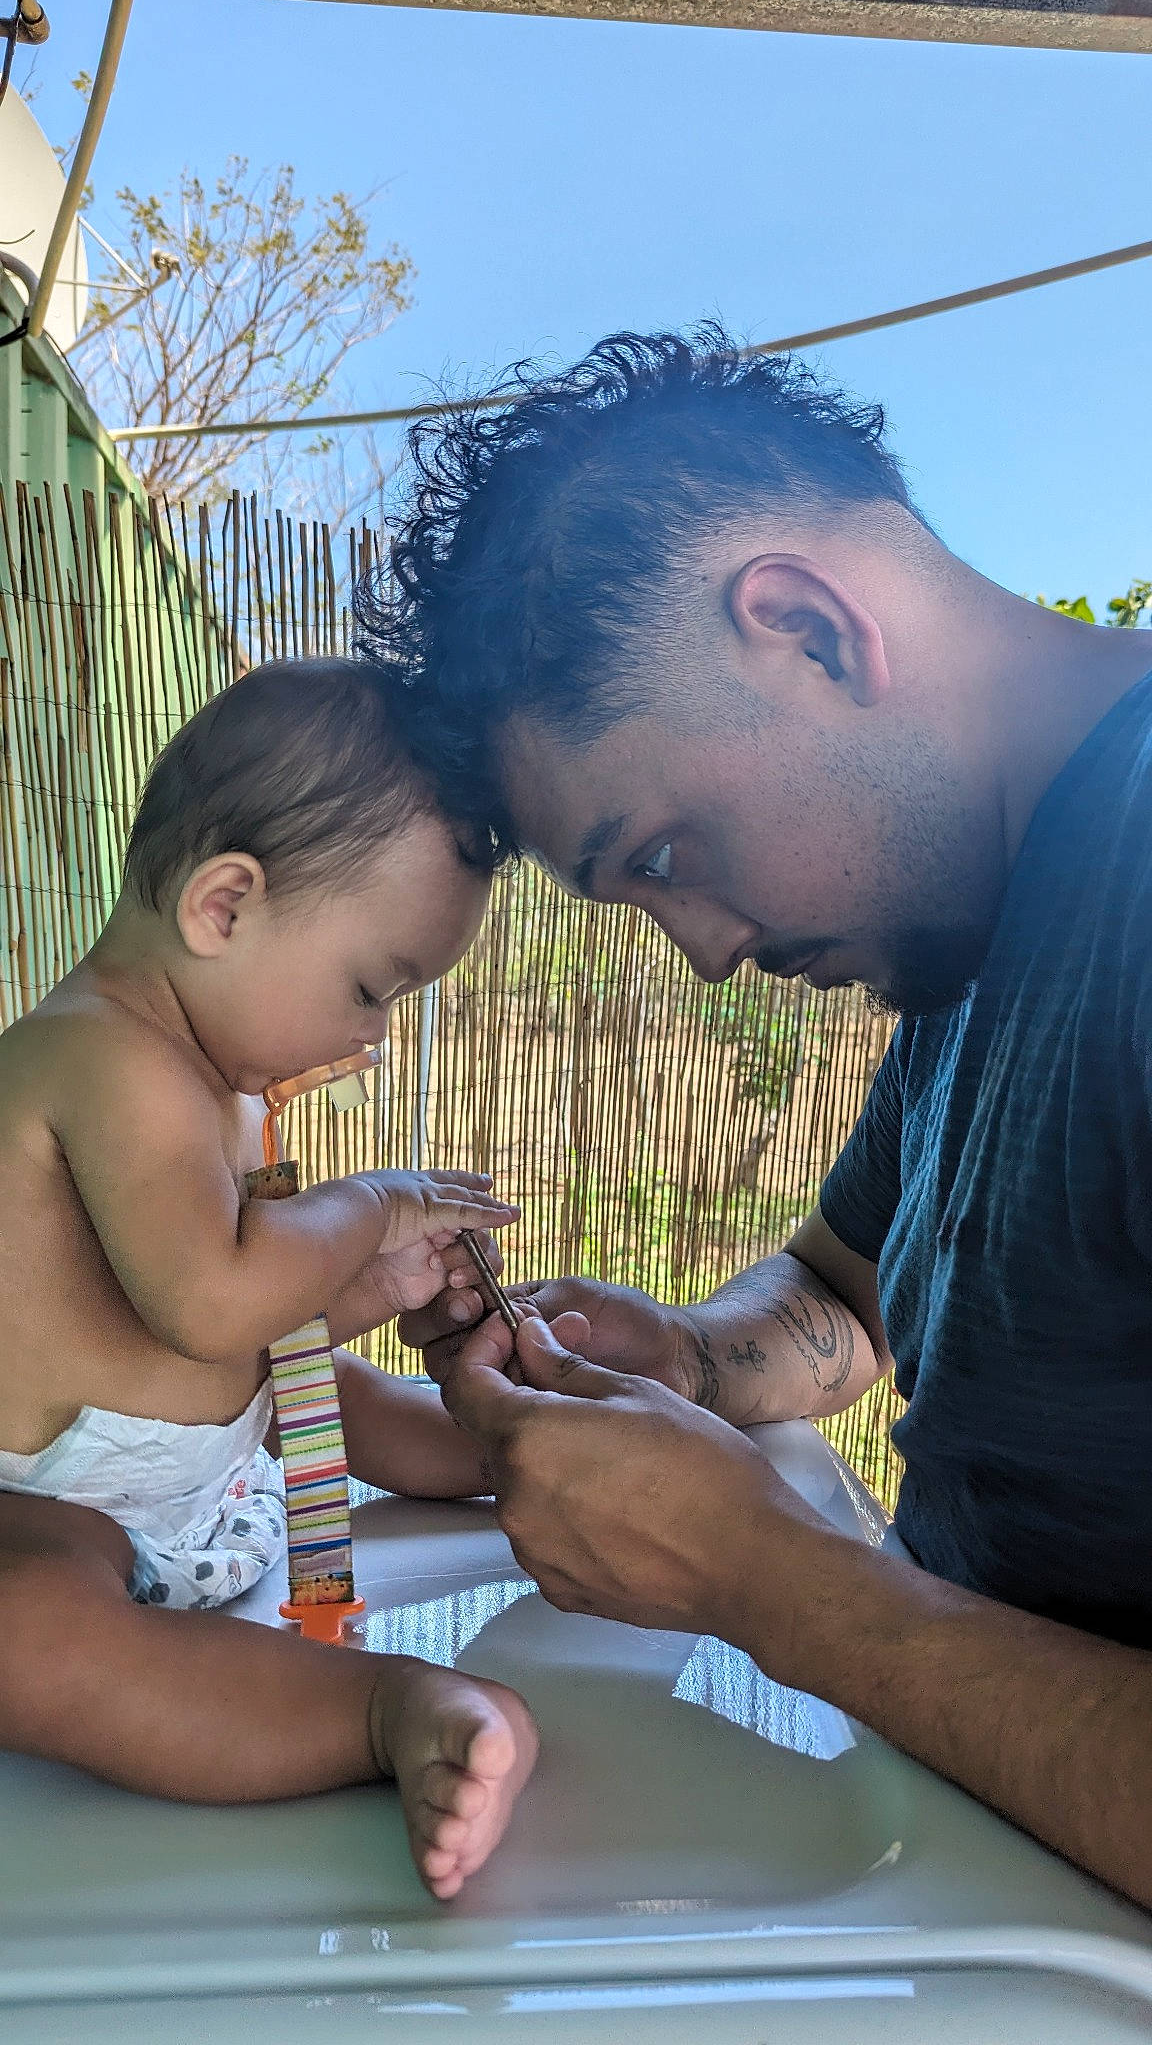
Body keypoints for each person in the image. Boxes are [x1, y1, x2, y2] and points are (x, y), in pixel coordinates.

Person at [358, 326, 1152, 1909]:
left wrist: (765, 1583)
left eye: (658, 855)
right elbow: (847, 1292)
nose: (707, 951)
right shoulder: (986, 914)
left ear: (806, 630)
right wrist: (695, 1364)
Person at [0, 657, 538, 1901]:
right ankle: (381, 1712)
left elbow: (247, 1332)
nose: (374, 1035)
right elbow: (209, 1305)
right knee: (28, 1639)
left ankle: (514, 1444)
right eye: (371, 984)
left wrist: (371, 1284)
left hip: (219, 1450)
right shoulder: (99, 1056)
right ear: (224, 907)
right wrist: (377, 1203)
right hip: (58, 1506)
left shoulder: (221, 1084)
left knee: (329, 1387)